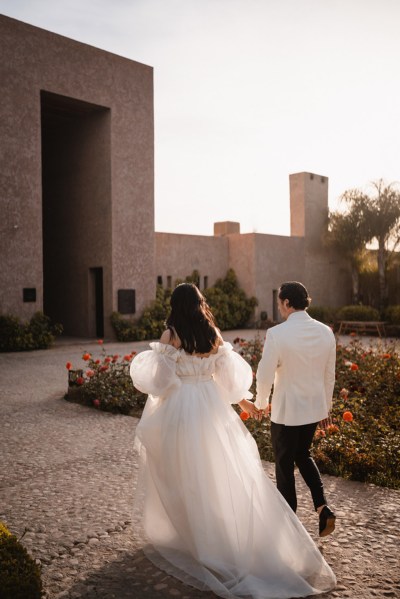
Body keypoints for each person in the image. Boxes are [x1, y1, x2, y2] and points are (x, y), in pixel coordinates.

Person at [130, 283, 336, 599]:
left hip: (180, 409)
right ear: (200, 304)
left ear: (175, 305)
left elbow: (159, 382)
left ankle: (193, 537)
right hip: (211, 408)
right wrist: (247, 404)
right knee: (213, 473)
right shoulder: (212, 333)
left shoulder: (172, 335)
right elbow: (227, 380)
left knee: (182, 475)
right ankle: (214, 535)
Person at [255, 281, 336, 537]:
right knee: (303, 454)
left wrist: (260, 403)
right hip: (312, 409)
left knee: (283, 463)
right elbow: (329, 375)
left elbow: (265, 374)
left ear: (287, 303)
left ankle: (288, 528)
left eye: (280, 303)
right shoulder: (326, 332)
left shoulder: (277, 334)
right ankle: (322, 507)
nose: (280, 308)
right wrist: (326, 408)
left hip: (287, 412)